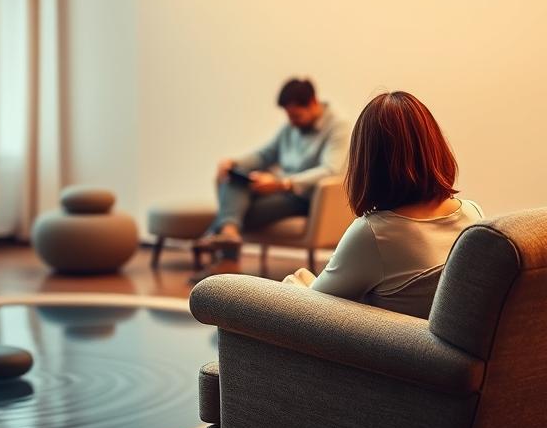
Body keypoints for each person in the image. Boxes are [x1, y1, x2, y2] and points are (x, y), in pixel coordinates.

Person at [282, 91, 483, 319]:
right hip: (434, 345)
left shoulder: (373, 234)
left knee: (291, 285)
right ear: (434, 147)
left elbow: (312, 314)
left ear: (367, 162)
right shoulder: (472, 214)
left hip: (386, 352)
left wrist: (292, 284)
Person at [196, 78, 349, 276]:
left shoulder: (338, 126)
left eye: (296, 115)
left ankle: (225, 242)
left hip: (304, 197)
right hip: (280, 189)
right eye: (288, 115)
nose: (291, 121)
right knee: (234, 179)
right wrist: (234, 163)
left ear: (312, 102)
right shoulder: (290, 128)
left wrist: (282, 184)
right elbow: (265, 155)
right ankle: (229, 235)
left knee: (237, 212)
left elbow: (331, 170)